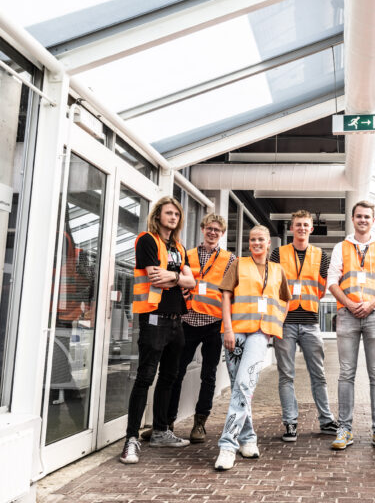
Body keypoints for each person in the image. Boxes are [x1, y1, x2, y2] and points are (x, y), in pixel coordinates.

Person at [140, 214, 236, 443]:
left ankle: (200, 424)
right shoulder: (186, 253)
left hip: (214, 324)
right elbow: (176, 279)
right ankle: (165, 423)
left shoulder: (230, 259)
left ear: (222, 234)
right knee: (174, 374)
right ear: (202, 229)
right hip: (187, 321)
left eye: (217, 230)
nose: (213, 233)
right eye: (209, 228)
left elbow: (230, 292)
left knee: (209, 376)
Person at [120, 196, 197, 464]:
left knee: (170, 377)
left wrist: (174, 277)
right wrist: (179, 279)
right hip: (154, 318)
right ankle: (131, 439)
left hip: (177, 320)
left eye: (176, 214)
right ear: (158, 215)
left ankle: (161, 431)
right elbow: (156, 278)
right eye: (168, 213)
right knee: (145, 377)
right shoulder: (147, 240)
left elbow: (191, 281)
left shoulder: (179, 247)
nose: (173, 217)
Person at [214, 225, 291, 471]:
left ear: (269, 243)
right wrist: (227, 329)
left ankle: (227, 445)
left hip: (260, 333)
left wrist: (275, 323)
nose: (256, 243)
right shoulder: (238, 264)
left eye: (261, 239)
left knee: (245, 384)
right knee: (240, 385)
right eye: (252, 239)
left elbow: (286, 300)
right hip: (235, 332)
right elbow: (226, 296)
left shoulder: (278, 270)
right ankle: (248, 438)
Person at [327, 200, 375, 452]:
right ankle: (344, 429)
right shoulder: (341, 247)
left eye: (367, 216)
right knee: (346, 372)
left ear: (373, 220)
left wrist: (371, 304)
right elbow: (332, 281)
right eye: (359, 216)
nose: (363, 220)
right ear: (353, 219)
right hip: (347, 315)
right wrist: (349, 303)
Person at [271, 210, 338, 442]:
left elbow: (322, 288)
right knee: (286, 375)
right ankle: (290, 423)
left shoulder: (321, 256)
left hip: (310, 321)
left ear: (311, 228)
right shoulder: (278, 253)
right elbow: (271, 283)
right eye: (297, 224)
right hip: (284, 321)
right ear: (291, 228)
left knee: (318, 374)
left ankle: (326, 420)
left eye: (305, 225)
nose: (301, 228)